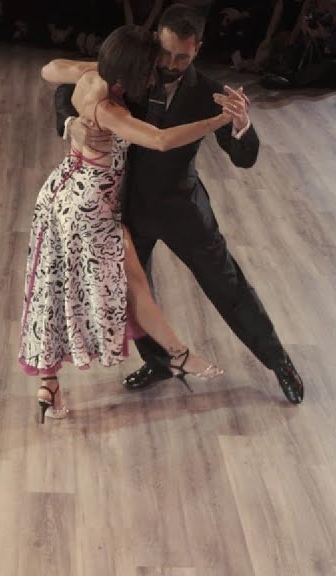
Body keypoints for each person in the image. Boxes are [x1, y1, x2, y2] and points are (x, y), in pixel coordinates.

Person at [44, 5, 305, 403]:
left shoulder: (208, 92)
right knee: (134, 292)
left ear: (197, 49)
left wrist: (239, 125)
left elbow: (243, 158)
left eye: (181, 56)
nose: (169, 63)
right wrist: (72, 122)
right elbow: (67, 86)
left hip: (183, 208)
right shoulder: (134, 70)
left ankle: (278, 361)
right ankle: (161, 362)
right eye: (164, 53)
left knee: (228, 286)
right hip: (127, 206)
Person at [20, 25, 227, 422]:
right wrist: (216, 121)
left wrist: (71, 121)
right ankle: (180, 356)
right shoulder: (108, 108)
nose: (156, 74)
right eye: (149, 68)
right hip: (90, 207)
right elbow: (161, 140)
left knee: (53, 286)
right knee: (134, 285)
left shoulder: (90, 78)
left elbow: (49, 68)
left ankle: (49, 382)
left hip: (61, 192)